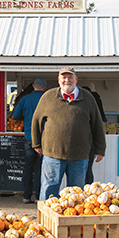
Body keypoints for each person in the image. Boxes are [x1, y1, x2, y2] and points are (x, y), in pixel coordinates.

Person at [31, 67, 106, 200]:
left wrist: (100, 149)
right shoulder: (48, 96)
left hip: (79, 156)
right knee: (49, 189)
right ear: (58, 80)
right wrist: (36, 143)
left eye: (70, 77)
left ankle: (73, 221)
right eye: (64, 77)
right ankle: (45, 221)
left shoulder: (88, 98)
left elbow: (97, 125)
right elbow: (36, 121)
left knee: (76, 194)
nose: (67, 80)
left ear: (76, 79)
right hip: (52, 155)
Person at [11, 77, 47, 204]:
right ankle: (38, 197)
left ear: (33, 85)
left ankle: (26, 196)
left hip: (28, 138)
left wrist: (26, 118)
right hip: (44, 139)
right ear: (44, 87)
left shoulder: (25, 99)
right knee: (40, 168)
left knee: (28, 167)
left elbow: (15, 116)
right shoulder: (47, 99)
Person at [83, 85, 107, 184]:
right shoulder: (94, 100)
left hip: (85, 143)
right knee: (88, 168)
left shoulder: (85, 105)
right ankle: (88, 191)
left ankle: (84, 191)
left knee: (83, 169)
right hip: (90, 142)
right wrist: (100, 150)